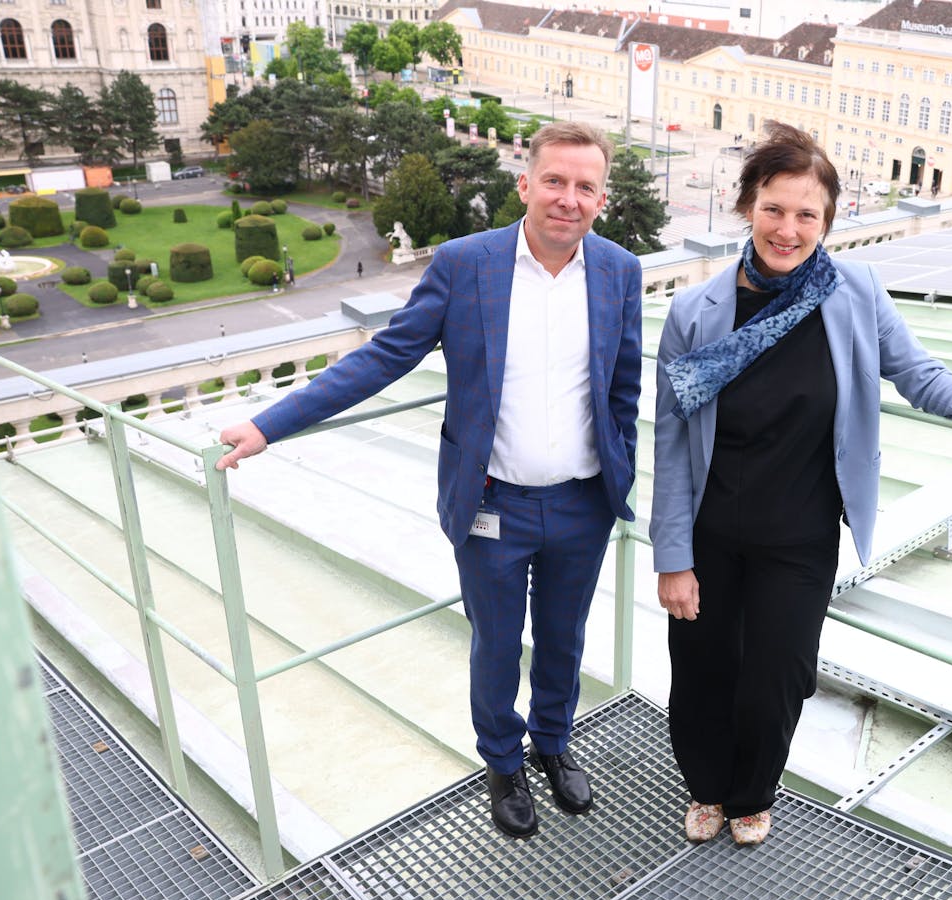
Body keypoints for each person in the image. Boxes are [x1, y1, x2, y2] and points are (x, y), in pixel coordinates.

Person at [650, 122, 952, 846]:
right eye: (774, 209)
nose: (787, 229)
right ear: (747, 206)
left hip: (800, 535)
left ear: (829, 218)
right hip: (709, 532)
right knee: (700, 674)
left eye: (806, 214)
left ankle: (753, 792)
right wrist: (672, 555)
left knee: (777, 677)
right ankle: (706, 788)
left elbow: (918, 374)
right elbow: (669, 438)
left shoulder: (853, 293)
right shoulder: (696, 312)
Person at [216, 121, 643, 841]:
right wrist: (271, 423)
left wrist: (619, 466)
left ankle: (554, 743)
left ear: (603, 196)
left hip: (581, 503)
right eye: (555, 181)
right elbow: (382, 358)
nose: (568, 199)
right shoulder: (464, 263)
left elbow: (622, 385)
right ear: (525, 184)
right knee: (496, 644)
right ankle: (503, 762)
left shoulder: (617, 271)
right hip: (491, 505)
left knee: (565, 638)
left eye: (585, 186)